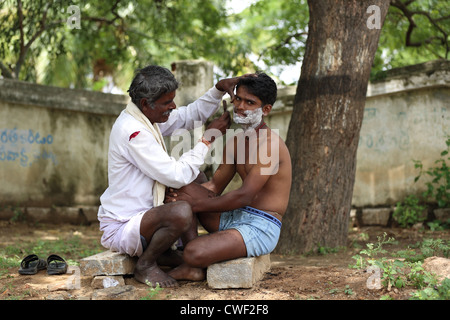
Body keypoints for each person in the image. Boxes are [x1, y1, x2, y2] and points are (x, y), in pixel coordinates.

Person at [97, 65, 248, 287]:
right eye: (167, 103)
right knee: (181, 209)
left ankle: (189, 258)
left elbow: (188, 115)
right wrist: (208, 139)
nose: (173, 106)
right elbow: (176, 176)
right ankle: (146, 265)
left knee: (195, 178)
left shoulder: (145, 116)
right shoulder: (134, 131)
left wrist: (218, 89)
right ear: (146, 104)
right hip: (124, 225)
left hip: (147, 218)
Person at [165, 72, 292, 282]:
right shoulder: (235, 141)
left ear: (266, 110)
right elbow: (214, 186)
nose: (241, 106)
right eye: (238, 99)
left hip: (261, 225)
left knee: (193, 251)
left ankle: (191, 261)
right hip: (235, 216)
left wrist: (193, 204)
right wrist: (181, 194)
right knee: (186, 180)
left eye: (250, 102)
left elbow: (244, 196)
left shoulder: (271, 145)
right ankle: (191, 264)